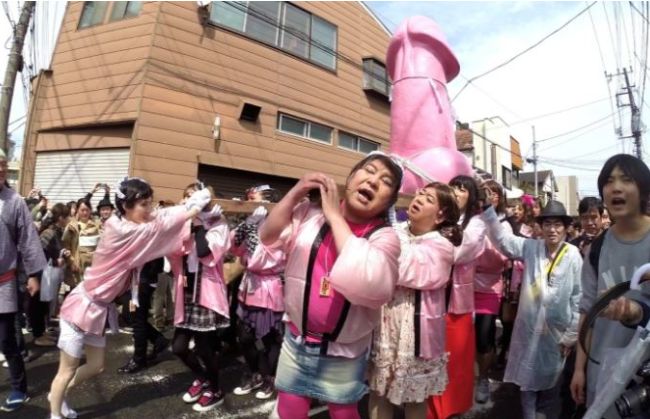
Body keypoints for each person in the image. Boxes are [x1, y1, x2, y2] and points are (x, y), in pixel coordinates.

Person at [48, 177, 212, 419]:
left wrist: (190, 206)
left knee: (96, 366)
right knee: (67, 368)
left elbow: (159, 218)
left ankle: (57, 395)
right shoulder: (122, 230)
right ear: (126, 206)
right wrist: (193, 208)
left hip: (98, 308)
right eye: (143, 204)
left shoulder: (126, 221)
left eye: (150, 203)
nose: (149, 209)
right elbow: (158, 226)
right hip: (82, 306)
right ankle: (54, 412)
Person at [258, 152, 402, 419]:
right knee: (289, 407)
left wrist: (335, 216)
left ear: (389, 201)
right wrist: (297, 191)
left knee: (343, 411)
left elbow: (369, 283)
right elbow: (268, 236)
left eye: (385, 181)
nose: (373, 181)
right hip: (297, 337)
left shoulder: (386, 237)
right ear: (350, 179)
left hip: (345, 349)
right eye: (368, 171)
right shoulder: (309, 214)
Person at [483, 199, 582, 419]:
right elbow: (503, 241)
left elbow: (578, 296)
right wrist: (488, 211)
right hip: (527, 332)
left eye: (557, 225)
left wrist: (570, 336)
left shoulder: (573, 254)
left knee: (551, 389)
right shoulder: (531, 247)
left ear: (566, 228)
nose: (552, 229)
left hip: (556, 336)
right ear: (541, 227)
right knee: (527, 387)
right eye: (547, 224)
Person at [369, 182, 461, 419]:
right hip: (385, 326)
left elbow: (404, 266)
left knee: (415, 399)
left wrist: (389, 228)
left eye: (429, 198)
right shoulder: (397, 230)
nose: (419, 198)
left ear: (441, 215)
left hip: (417, 336)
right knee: (378, 391)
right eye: (420, 193)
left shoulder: (442, 245)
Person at [571, 154, 650, 414]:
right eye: (608, 181)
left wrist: (635, 312)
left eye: (626, 180)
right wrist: (580, 369)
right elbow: (587, 312)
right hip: (602, 371)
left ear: (643, 189)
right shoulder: (597, 248)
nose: (615, 187)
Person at [428, 175, 486, 419]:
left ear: (471, 196)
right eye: (453, 187)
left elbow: (461, 251)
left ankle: (451, 410)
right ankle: (430, 411)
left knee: (455, 363)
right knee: (430, 360)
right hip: (432, 299)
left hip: (457, 305)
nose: (456, 192)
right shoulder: (438, 217)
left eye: (462, 189)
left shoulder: (477, 223)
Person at [170, 183, 231, 412]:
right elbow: (174, 251)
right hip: (186, 291)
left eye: (193, 196)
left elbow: (206, 252)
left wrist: (201, 224)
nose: (189, 200)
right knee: (178, 347)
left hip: (205, 292)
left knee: (205, 348)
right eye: (186, 196)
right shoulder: (186, 224)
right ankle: (203, 376)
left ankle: (215, 389)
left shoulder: (219, 223)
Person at [0, 148, 46, 411]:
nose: (0, 170)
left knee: (7, 339)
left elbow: (29, 240)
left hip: (4, 281)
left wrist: (33, 274)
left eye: (3, 165)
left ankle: (19, 387)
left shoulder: (15, 201)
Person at [231, 185, 284, 400]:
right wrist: (248, 224)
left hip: (268, 286)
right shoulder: (253, 222)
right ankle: (255, 373)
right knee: (244, 337)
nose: (252, 203)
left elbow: (257, 257)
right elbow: (234, 246)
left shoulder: (281, 228)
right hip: (250, 285)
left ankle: (269, 376)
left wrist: (252, 228)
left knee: (271, 338)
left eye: (256, 200)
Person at [474, 180, 511, 404]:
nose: (491, 196)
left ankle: (484, 379)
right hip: (465, 287)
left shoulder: (504, 225)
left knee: (484, 338)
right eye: (487, 193)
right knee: (464, 339)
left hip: (490, 288)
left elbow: (503, 258)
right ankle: (469, 376)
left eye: (495, 193)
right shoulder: (471, 220)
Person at [117, 257, 169, 374]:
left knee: (137, 319)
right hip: (140, 276)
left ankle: (139, 360)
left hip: (143, 277)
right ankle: (158, 340)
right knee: (131, 316)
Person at [34, 203, 72, 347]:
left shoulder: (56, 231)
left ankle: (42, 332)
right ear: (60, 217)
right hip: (41, 274)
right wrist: (57, 261)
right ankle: (38, 335)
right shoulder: (49, 232)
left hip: (47, 274)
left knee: (44, 303)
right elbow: (40, 253)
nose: (69, 219)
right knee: (38, 304)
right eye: (67, 216)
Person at [62, 198, 101, 289]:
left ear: (90, 210)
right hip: (77, 267)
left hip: (93, 267)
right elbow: (66, 246)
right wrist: (71, 261)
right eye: (82, 210)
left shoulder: (97, 225)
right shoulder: (72, 227)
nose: (85, 213)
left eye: (87, 210)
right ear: (77, 211)